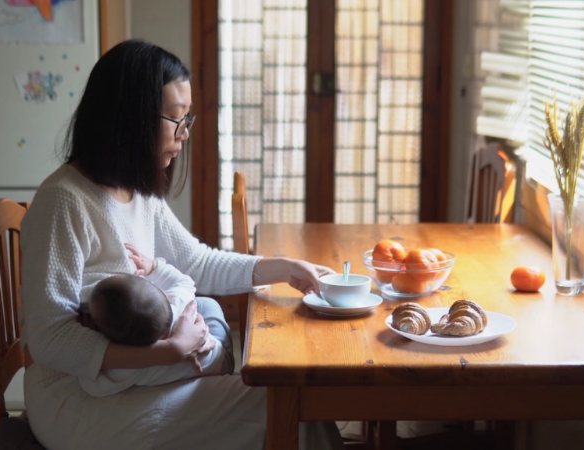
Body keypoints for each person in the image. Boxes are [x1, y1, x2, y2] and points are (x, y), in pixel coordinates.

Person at [19, 39, 345, 449]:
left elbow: (196, 261)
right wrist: (170, 351)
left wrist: (283, 268)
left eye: (186, 117)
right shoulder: (64, 201)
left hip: (125, 381)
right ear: (130, 118)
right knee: (286, 405)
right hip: (77, 401)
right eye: (175, 119)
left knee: (214, 320)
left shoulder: (133, 189)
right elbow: (50, 339)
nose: (185, 133)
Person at [78, 243, 234, 397]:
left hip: (210, 364)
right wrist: (152, 267)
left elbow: (91, 386)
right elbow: (184, 282)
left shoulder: (124, 368)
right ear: (165, 295)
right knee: (209, 305)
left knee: (205, 305)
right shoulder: (177, 305)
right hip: (218, 359)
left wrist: (86, 334)